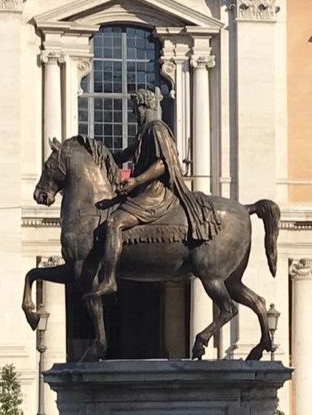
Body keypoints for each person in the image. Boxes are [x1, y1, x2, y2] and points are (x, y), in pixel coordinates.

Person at [88, 88, 219, 298]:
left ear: (144, 107)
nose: (133, 114)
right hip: (142, 192)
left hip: (155, 194)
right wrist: (95, 153)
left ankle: (109, 279)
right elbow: (123, 155)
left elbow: (163, 164)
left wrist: (136, 180)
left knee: (113, 223)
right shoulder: (144, 133)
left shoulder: (156, 129)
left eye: (135, 110)